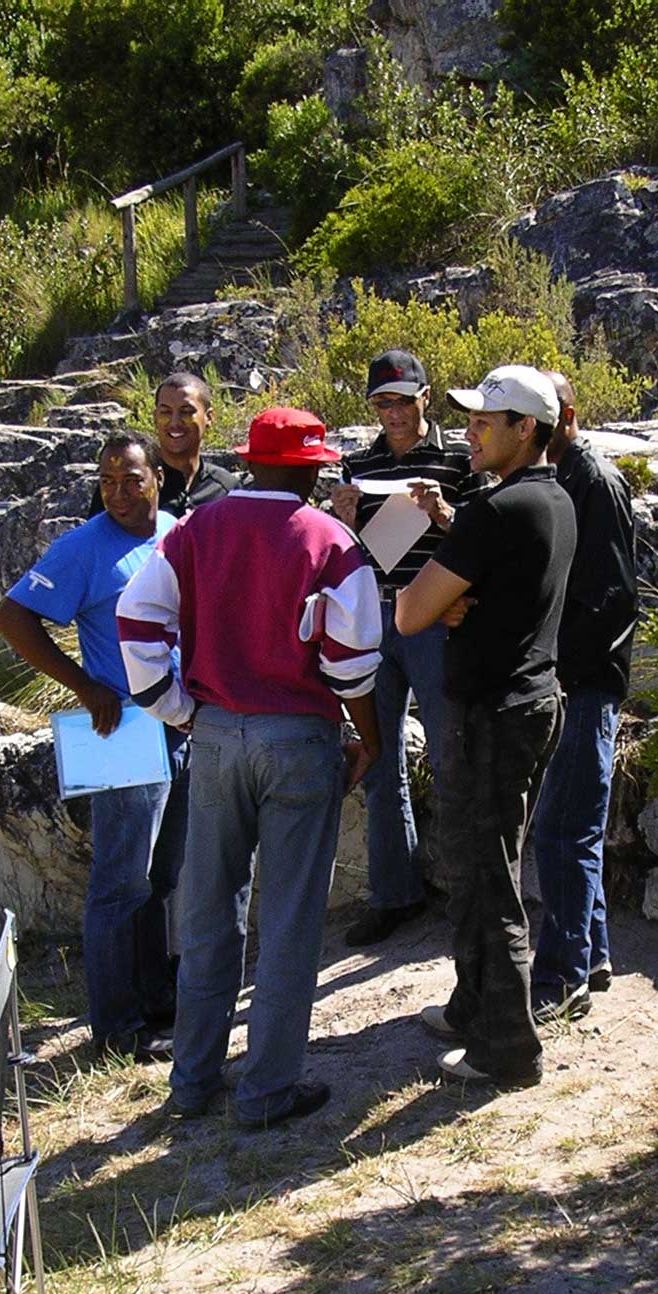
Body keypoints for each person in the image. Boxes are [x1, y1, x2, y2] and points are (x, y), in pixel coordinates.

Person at [117, 406, 383, 1128]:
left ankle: (192, 1083)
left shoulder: (194, 529)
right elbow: (352, 665)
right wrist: (369, 739)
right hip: (299, 736)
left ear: (249, 461)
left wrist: (181, 711)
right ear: (312, 471)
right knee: (290, 918)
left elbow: (136, 620)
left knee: (207, 912)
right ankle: (266, 1091)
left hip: (214, 734)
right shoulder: (332, 540)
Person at [394, 366, 574, 1088]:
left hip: (493, 714)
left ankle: (509, 1050)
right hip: (526, 702)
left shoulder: (494, 511)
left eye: (484, 423)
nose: (469, 433)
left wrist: (442, 604)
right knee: (475, 867)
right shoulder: (553, 497)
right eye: (468, 420)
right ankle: (474, 1005)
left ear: (525, 429)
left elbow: (408, 612)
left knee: (490, 877)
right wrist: (456, 603)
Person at [0, 431, 185, 1063]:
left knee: (163, 877)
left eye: (131, 480)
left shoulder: (175, 532)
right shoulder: (83, 547)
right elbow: (12, 618)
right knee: (120, 883)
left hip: (182, 725)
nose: (118, 494)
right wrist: (85, 685)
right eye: (107, 482)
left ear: (158, 478)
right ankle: (116, 1026)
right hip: (126, 732)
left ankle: (157, 1000)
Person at [326, 349, 474, 948]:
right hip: (373, 617)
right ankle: (395, 893)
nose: (393, 413)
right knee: (376, 758)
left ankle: (470, 894)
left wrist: (445, 513)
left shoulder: (459, 460)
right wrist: (342, 518)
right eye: (382, 403)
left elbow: (485, 538)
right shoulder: (357, 464)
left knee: (450, 753)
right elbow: (344, 551)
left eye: (402, 401)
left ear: (425, 397)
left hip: (435, 618)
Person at [528, 370, 638, 1020]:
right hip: (575, 679)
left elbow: (611, 597)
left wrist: (566, 671)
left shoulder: (593, 479)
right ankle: (590, 956)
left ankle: (560, 977)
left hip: (584, 684)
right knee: (576, 827)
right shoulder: (563, 474)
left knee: (560, 829)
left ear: (567, 415)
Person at [153, 373, 239, 514]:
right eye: (166, 412)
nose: (175, 422)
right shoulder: (138, 485)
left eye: (186, 412)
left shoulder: (226, 490)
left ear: (209, 417)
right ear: (155, 417)